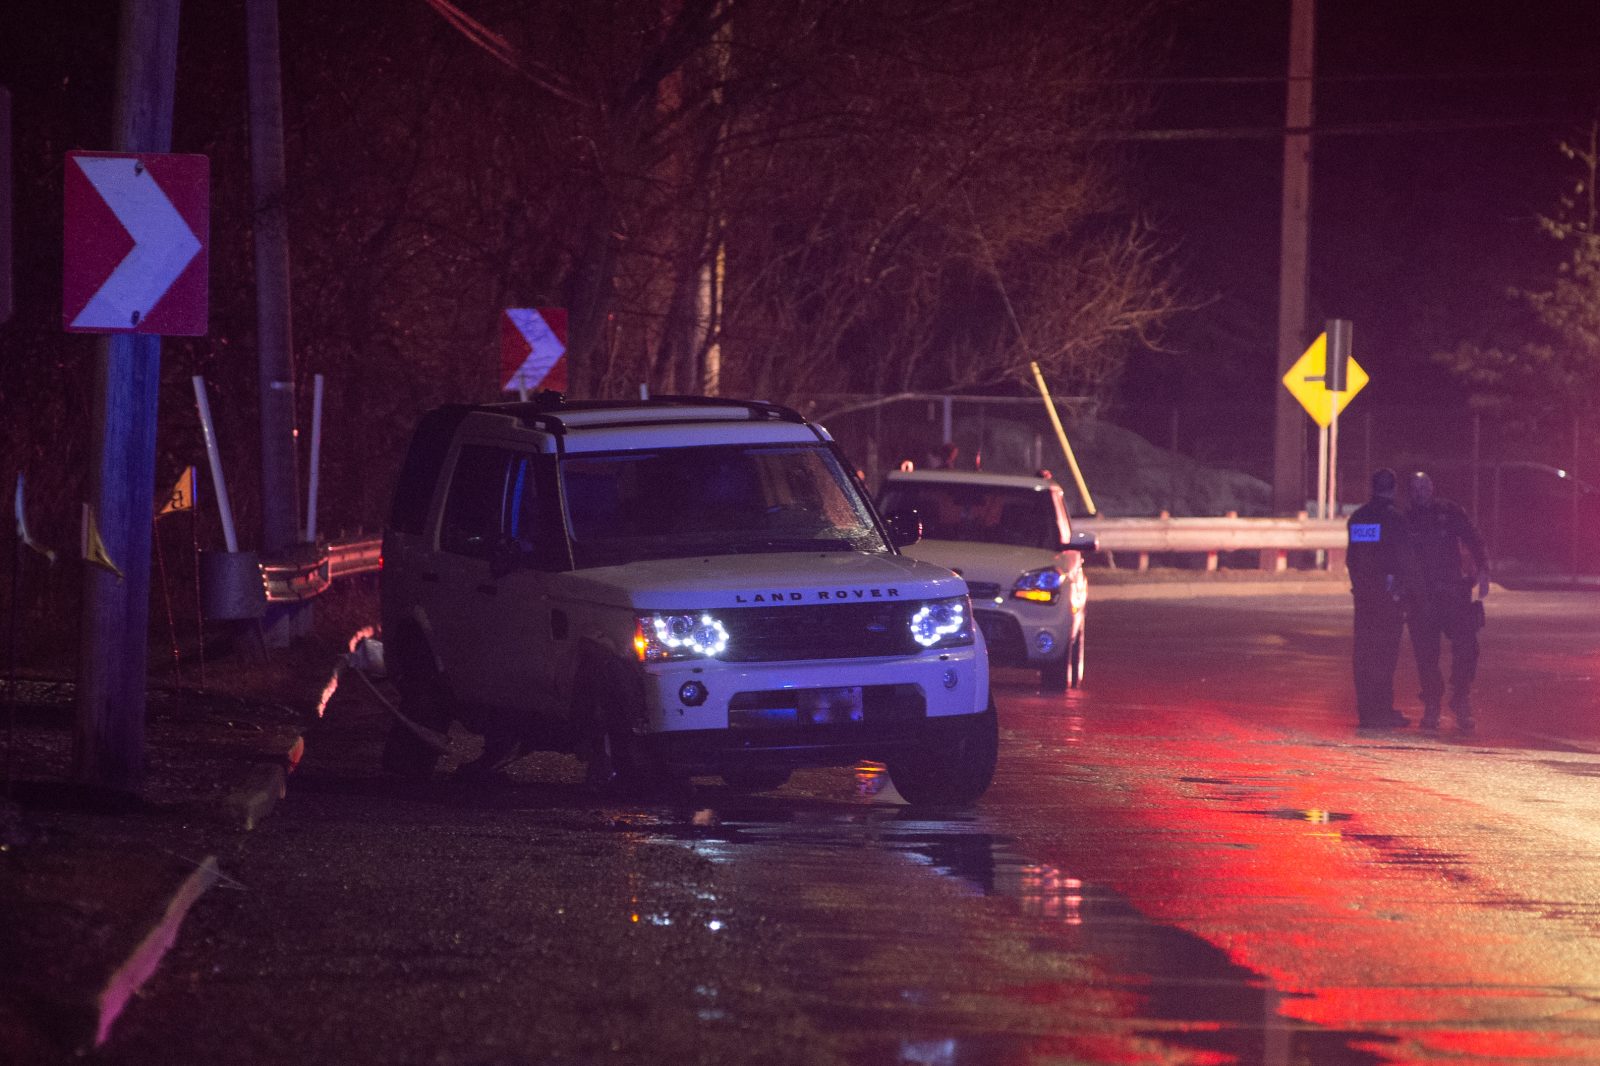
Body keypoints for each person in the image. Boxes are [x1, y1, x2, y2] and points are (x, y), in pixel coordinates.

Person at [1404, 470, 1491, 732]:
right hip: (1423, 598)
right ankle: (1432, 704)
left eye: (1425, 487)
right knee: (1426, 655)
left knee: (1466, 646)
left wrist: (1484, 571)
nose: (1421, 493)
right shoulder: (1405, 519)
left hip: (1453, 593)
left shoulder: (1450, 512)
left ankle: (1460, 699)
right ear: (1411, 492)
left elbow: (1473, 539)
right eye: (1416, 489)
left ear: (1432, 488)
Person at [1346, 468, 1416, 729]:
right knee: (1385, 656)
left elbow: (1354, 558)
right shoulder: (1396, 520)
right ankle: (1381, 711)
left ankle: (1366, 711)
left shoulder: (1359, 518)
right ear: (1393, 488)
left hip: (1364, 598)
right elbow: (1405, 561)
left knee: (1364, 654)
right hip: (1388, 600)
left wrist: (1361, 587)